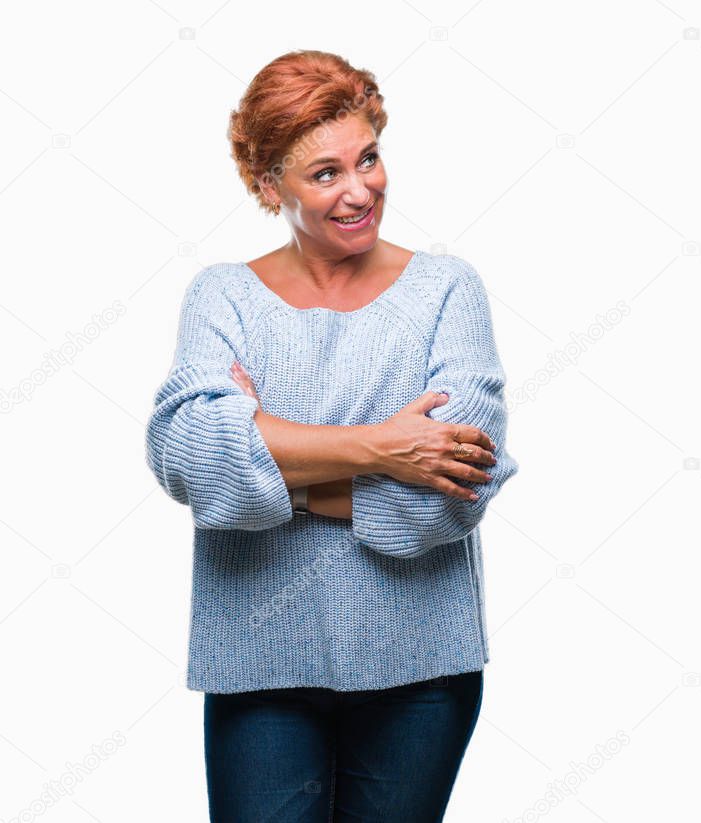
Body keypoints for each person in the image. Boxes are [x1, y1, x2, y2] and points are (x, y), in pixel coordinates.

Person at [143, 49, 519, 822]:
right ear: (266, 184)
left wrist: (260, 452)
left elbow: (451, 497)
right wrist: (382, 447)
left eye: (369, 158)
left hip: (421, 670)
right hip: (258, 664)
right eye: (324, 174)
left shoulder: (447, 290)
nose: (359, 190)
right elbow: (186, 457)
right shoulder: (223, 296)